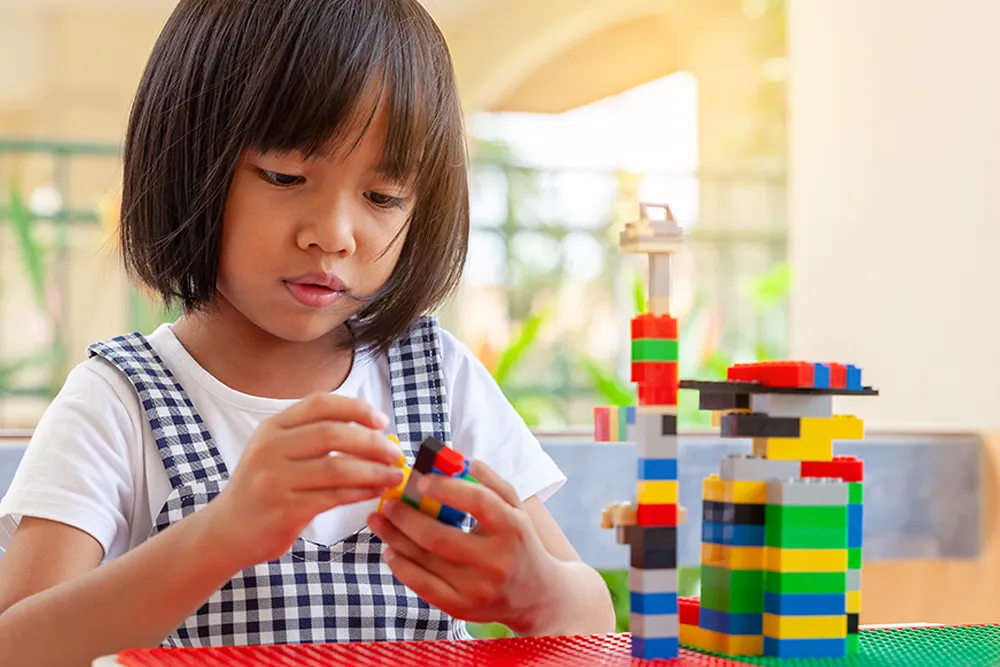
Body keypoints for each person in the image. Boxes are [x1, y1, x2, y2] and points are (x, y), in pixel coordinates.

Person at [0, 1, 616, 664]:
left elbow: (591, 623)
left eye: (382, 197)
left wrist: (537, 593)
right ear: (190, 162)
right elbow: (17, 646)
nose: (333, 233)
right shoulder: (120, 399)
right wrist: (221, 534)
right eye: (286, 176)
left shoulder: (437, 376)